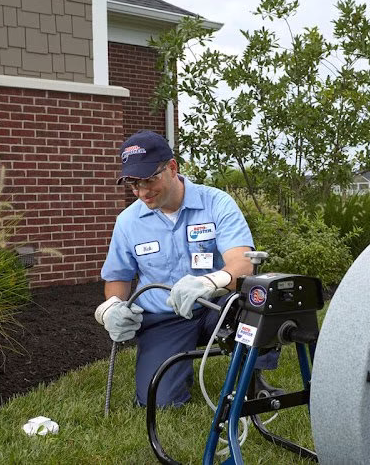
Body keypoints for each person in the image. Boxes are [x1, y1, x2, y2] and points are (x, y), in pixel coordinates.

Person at [95, 130, 279, 407]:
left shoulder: (216, 203)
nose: (142, 192)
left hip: (215, 307)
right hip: (164, 318)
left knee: (255, 300)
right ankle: (174, 373)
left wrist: (208, 283)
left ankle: (252, 378)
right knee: (160, 402)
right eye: (134, 184)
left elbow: (243, 265)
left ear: (172, 168)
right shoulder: (128, 222)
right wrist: (111, 307)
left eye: (150, 180)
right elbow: (118, 278)